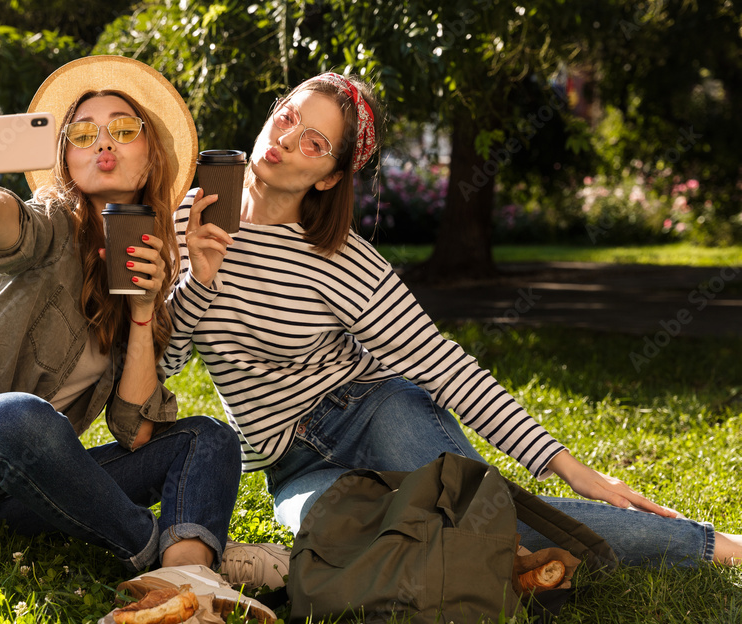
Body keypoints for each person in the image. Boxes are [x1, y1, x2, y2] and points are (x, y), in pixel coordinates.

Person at [164, 71, 742, 584]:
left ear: (329, 177)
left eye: (313, 142)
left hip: (370, 410)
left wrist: (570, 467)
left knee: (486, 512)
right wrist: (201, 280)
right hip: (292, 464)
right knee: (340, 537)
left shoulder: (341, 260)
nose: (287, 140)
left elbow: (446, 367)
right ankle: (499, 563)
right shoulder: (186, 221)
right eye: (286, 117)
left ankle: (715, 546)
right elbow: (162, 360)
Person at [0, 56, 254, 586]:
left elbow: (136, 434)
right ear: (66, 157)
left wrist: (142, 313)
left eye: (123, 129)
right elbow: (9, 227)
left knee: (207, 438)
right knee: (24, 416)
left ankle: (185, 582)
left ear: (150, 156)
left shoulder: (145, 268)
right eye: (84, 133)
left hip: (18, 495)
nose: (103, 142)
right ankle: (155, 549)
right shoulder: (53, 223)